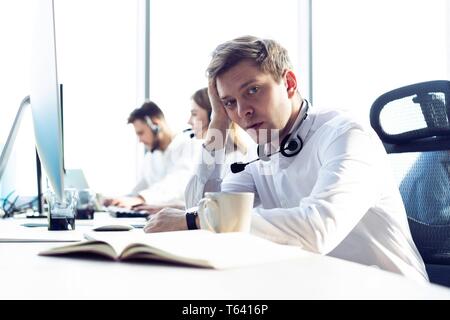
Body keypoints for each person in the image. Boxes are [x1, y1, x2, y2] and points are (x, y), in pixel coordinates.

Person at [143, 36, 428, 282]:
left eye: (252, 90)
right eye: (230, 102)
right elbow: (201, 208)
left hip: (390, 288)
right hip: (321, 286)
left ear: (289, 83)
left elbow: (317, 229)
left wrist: (197, 220)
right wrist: (218, 120)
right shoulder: (260, 155)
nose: (243, 112)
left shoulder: (344, 135)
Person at [103, 101, 198, 211]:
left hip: (180, 218)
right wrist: (119, 200)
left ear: (155, 125)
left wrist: (141, 198)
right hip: (154, 218)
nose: (140, 140)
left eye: (141, 133)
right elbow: (140, 188)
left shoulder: (187, 144)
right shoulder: (151, 156)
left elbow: (177, 183)